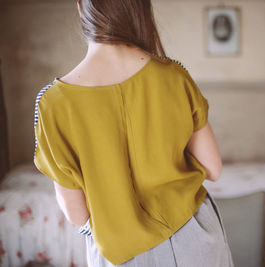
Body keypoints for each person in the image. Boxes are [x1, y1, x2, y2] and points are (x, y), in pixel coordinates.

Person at [32, 0, 234, 266]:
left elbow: (77, 215)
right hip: (196, 238)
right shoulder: (173, 75)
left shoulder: (52, 104)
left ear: (81, 6)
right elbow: (214, 169)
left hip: (122, 255)